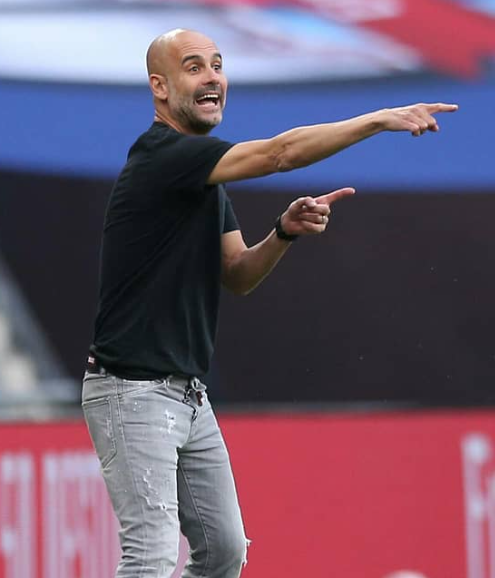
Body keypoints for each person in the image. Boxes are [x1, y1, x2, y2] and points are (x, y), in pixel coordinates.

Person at [81, 28, 458, 578]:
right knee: (151, 557)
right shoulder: (165, 156)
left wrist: (282, 232)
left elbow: (237, 274)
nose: (212, 78)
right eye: (194, 67)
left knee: (225, 552)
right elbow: (280, 153)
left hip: (186, 394)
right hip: (132, 392)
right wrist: (377, 120)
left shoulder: (204, 179)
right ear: (160, 87)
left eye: (217, 65)